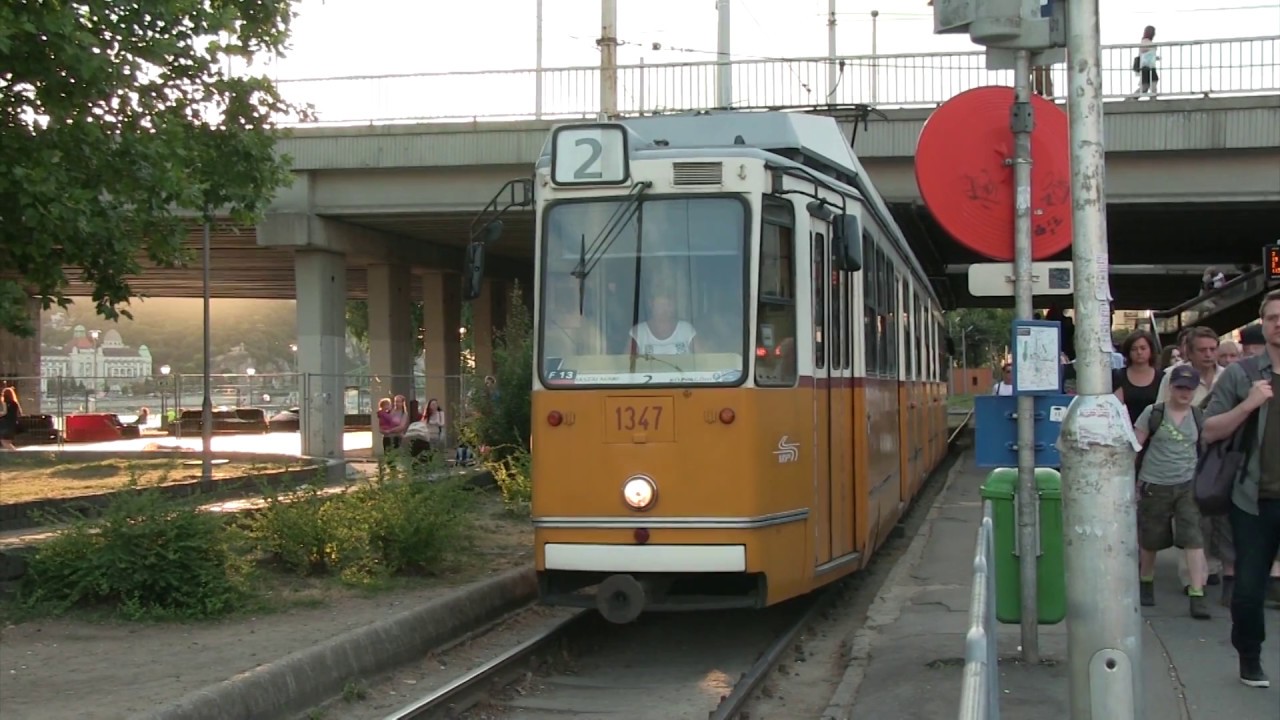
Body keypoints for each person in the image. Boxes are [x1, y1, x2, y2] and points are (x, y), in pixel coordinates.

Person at [1200, 288, 1280, 688]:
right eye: (1272, 317)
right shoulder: (1242, 374)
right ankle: (1250, 656)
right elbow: (1209, 430)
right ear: (1263, 325)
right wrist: (1249, 405)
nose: (1279, 322)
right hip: (1254, 499)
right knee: (1248, 590)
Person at [1134, 365, 1211, 619]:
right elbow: (1135, 445)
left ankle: (1197, 593)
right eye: (1179, 387)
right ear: (1170, 387)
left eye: (1189, 388)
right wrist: (1129, 482)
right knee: (1151, 539)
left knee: (1193, 537)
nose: (1184, 393)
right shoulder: (1154, 413)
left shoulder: (1199, 417)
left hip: (1187, 484)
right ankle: (1146, 580)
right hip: (1154, 484)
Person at [630, 290, 697, 356]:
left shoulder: (686, 330)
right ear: (651, 304)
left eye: (668, 304)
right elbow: (626, 363)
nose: (664, 310)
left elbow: (705, 359)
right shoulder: (639, 332)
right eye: (660, 305)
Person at [1129, 25, 1160, 99]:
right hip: (1147, 66)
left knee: (1146, 86)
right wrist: (1153, 47)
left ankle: (1131, 99)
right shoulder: (1145, 41)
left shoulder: (1145, 41)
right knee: (1149, 85)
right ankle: (1152, 100)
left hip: (1148, 65)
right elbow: (1144, 50)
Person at [0, 387, 19, 451]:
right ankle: (14, 452)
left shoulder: (6, 402)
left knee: (4, 442)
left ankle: (15, 452)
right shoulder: (15, 403)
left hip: (5, 424)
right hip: (12, 424)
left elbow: (5, 412)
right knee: (7, 442)